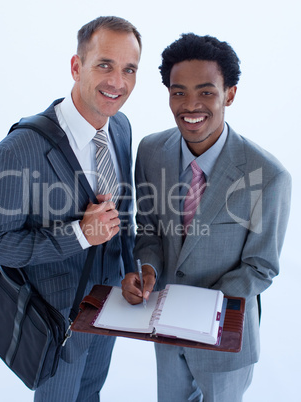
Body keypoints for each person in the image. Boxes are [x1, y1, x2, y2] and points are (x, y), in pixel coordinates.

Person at [0, 16, 141, 402]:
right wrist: (79, 234)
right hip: (54, 318)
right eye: (104, 65)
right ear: (76, 66)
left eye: (129, 69)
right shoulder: (22, 149)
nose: (118, 82)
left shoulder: (121, 127)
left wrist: (129, 269)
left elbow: (123, 209)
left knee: (91, 394)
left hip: (108, 305)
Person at [122, 33, 291, 402]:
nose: (190, 105)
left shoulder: (269, 175)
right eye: (178, 92)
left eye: (206, 92)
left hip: (225, 340)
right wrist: (147, 269)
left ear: (230, 94)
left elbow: (261, 268)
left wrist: (199, 309)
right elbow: (148, 229)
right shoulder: (151, 151)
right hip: (164, 335)